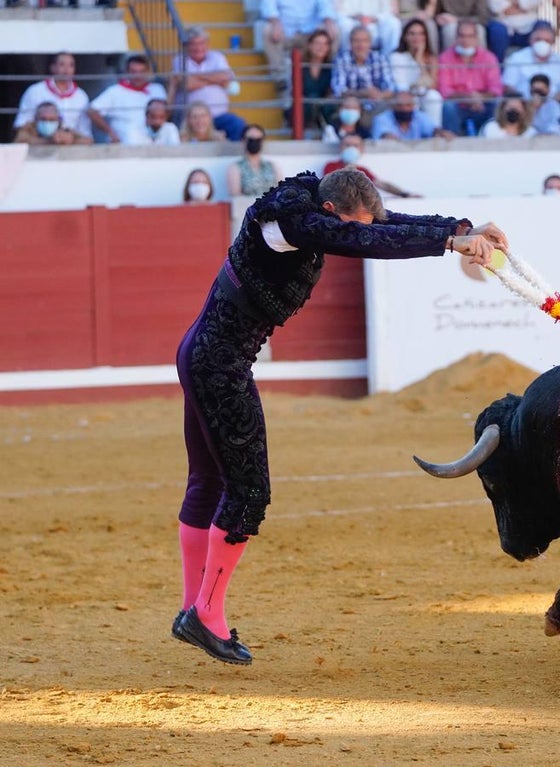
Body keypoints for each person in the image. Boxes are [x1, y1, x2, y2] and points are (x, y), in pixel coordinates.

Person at [171, 166, 508, 665]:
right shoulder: (291, 224)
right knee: (248, 491)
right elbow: (367, 240)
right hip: (218, 363)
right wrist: (448, 244)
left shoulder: (314, 200)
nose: (362, 229)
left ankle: (193, 609)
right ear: (331, 211)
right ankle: (206, 614)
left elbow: (382, 223)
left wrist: (461, 229)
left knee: (209, 480)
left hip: (204, 353)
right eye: (353, 222)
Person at [170, 26, 246, 141]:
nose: (198, 47)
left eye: (201, 43)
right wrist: (214, 79)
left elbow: (225, 77)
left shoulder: (217, 57)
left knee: (238, 125)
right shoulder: (180, 59)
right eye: (194, 44)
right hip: (191, 118)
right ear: (186, 46)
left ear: (207, 44)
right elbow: (187, 84)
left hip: (218, 115)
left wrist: (196, 76)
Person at [438, 19, 503, 135]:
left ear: (476, 38)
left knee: (498, 103)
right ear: (456, 38)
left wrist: (479, 98)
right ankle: (452, 141)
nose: (465, 41)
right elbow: (445, 91)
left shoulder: (488, 58)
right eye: (462, 36)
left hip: (483, 103)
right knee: (448, 106)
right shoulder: (445, 58)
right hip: (458, 105)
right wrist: (468, 98)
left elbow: (495, 89)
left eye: (470, 36)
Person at [86, 55, 168, 144]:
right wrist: (110, 132)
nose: (138, 76)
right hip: (125, 139)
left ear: (148, 72)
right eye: (134, 72)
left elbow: (168, 112)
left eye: (142, 72)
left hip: (153, 137)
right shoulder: (115, 91)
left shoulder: (157, 89)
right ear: (127, 72)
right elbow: (92, 111)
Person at [260, 0, 341, 90]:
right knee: (268, 30)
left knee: (335, 31)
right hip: (285, 32)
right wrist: (275, 23)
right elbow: (268, 6)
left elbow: (325, 5)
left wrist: (328, 22)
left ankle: (329, 71)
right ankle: (280, 77)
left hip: (311, 32)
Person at [13, 51, 92, 140]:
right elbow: (21, 125)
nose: (66, 69)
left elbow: (85, 133)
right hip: (37, 144)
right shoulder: (35, 91)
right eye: (62, 65)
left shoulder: (81, 96)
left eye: (71, 65)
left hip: (71, 145)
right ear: (52, 67)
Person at [331, 25, 398, 129]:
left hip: (377, 103)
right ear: (350, 43)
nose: (360, 45)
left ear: (370, 43)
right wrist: (363, 93)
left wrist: (379, 95)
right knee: (348, 107)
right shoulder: (342, 59)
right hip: (352, 103)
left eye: (364, 41)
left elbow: (390, 87)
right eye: (356, 41)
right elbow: (338, 89)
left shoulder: (379, 58)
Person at [321, 133, 420, 196]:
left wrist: (404, 194)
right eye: (347, 145)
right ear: (341, 147)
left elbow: (381, 184)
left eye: (355, 146)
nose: (351, 148)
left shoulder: (363, 170)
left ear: (362, 149)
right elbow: (329, 186)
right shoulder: (330, 166)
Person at [390, 18, 444, 126]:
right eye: (412, 34)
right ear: (405, 37)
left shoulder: (431, 58)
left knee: (434, 96)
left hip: (423, 95)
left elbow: (432, 85)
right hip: (404, 95)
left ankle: (435, 131)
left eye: (421, 34)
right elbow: (401, 85)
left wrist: (420, 60)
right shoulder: (396, 57)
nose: (417, 38)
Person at [501, 20, 560, 99]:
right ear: (530, 39)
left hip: (553, 106)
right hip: (524, 105)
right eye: (538, 39)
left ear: (553, 42)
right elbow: (508, 86)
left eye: (547, 40)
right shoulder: (516, 58)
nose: (542, 43)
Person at [286, 28, 336, 134]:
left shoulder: (331, 67)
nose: (321, 47)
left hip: (323, 108)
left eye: (325, 44)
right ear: (309, 45)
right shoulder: (298, 65)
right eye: (317, 43)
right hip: (302, 107)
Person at [227, 124, 282, 196]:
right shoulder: (235, 168)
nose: (254, 142)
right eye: (251, 140)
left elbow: (281, 192)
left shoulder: (272, 166)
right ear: (243, 141)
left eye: (258, 140)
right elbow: (236, 196)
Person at [371, 89, 448, 138]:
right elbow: (383, 136)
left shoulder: (419, 116)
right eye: (400, 105)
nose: (404, 109)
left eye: (408, 105)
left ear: (413, 106)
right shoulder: (382, 119)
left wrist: (440, 133)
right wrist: (387, 137)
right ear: (393, 106)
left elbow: (433, 130)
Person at [13, 101, 93, 145]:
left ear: (58, 120)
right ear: (36, 119)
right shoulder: (28, 128)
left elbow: (89, 141)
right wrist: (49, 141)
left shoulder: (65, 129)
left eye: (52, 120)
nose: (47, 122)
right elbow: (19, 142)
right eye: (43, 119)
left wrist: (71, 141)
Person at [334, 0, 401, 52]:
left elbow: (388, 11)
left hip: (376, 23)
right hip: (353, 21)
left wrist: (374, 18)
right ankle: (346, 57)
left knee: (393, 23)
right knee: (344, 24)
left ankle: (388, 58)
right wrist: (358, 17)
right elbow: (339, 11)